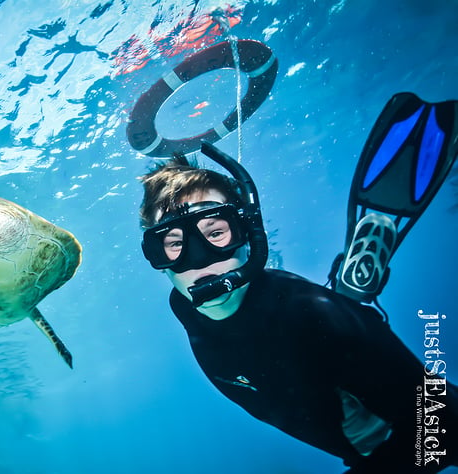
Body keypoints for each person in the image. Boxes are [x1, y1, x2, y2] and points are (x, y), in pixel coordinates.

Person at [137, 93, 458, 472]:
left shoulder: (310, 316)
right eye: (174, 243)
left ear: (251, 236)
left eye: (216, 232)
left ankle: (352, 304)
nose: (198, 259)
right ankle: (351, 296)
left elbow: (445, 426)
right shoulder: (184, 306)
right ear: (157, 258)